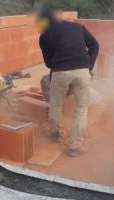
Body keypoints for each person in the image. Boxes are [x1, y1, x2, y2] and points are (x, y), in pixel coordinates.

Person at [37, 10, 99, 157]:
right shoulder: (77, 27)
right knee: (81, 108)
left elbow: (48, 63)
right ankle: (74, 146)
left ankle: (54, 133)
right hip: (83, 71)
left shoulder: (44, 36)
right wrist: (89, 65)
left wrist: (60, 63)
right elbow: (95, 46)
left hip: (60, 72)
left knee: (56, 104)